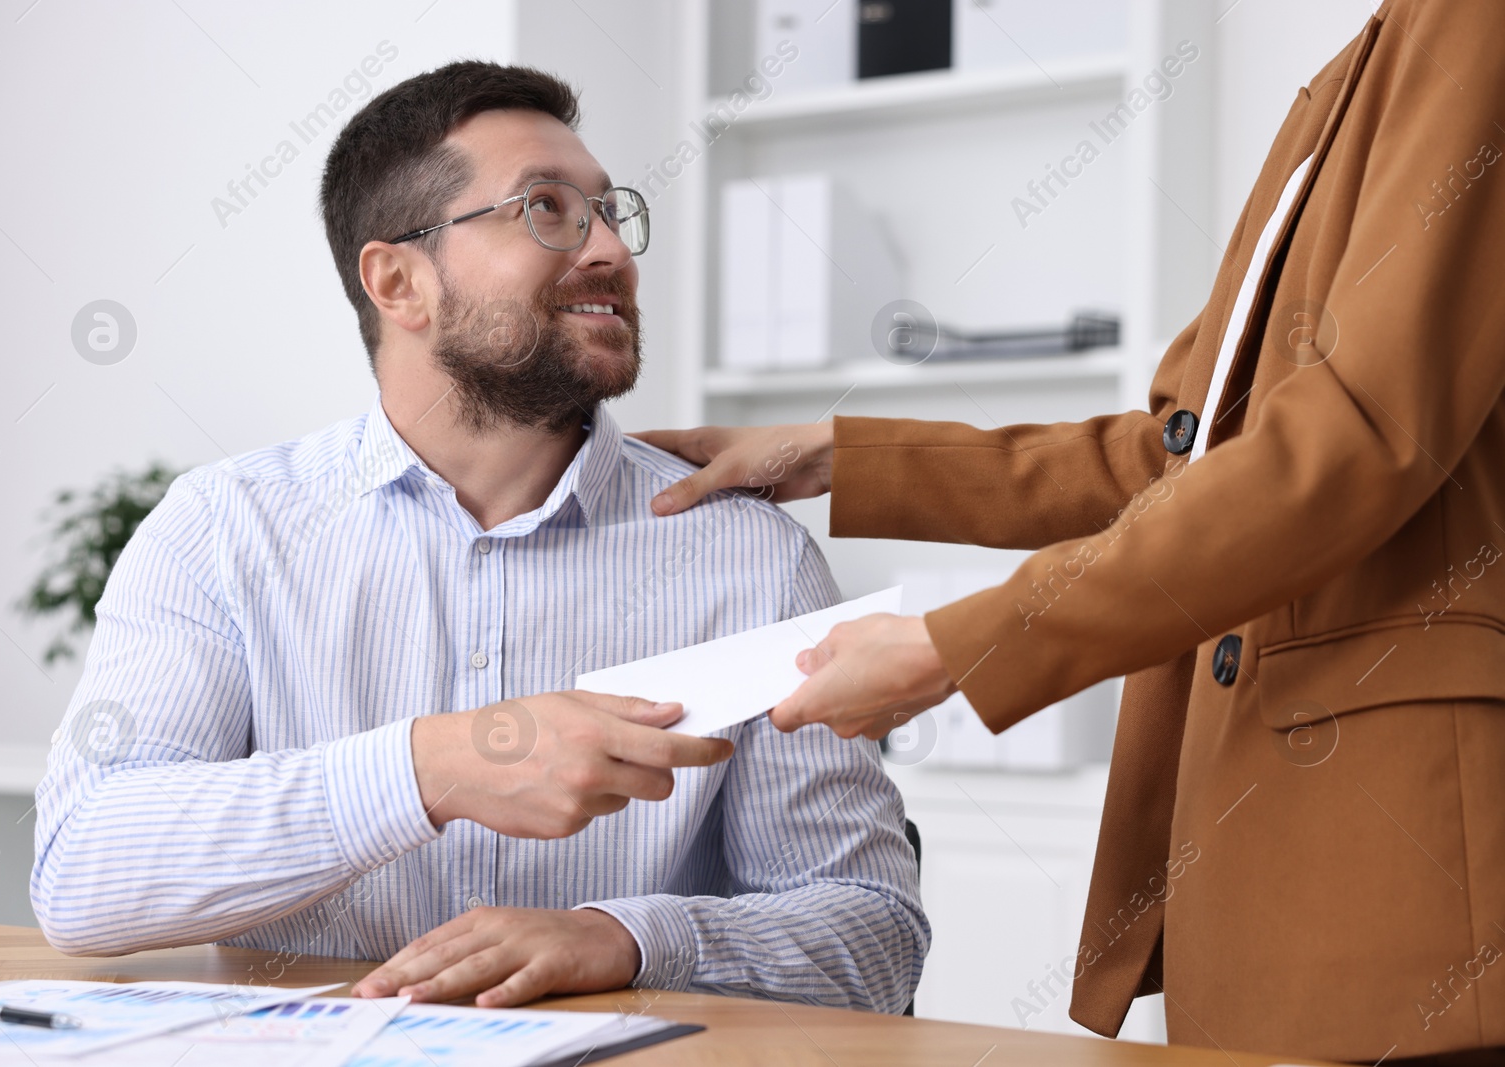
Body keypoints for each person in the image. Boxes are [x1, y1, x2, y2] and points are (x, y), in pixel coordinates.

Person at [637, 1, 1505, 1061]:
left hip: (1395, 861)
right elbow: (1181, 456)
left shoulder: (1468, 26)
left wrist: (954, 647)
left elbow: (1355, 441)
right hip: (1275, 840)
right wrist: (842, 456)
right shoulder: (1364, 65)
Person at [30, 60, 926, 1015]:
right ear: (400, 281)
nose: (609, 251)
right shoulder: (224, 530)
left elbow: (872, 933)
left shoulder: (750, 555)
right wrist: (436, 769)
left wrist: (624, 937)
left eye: (609, 212)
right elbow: (83, 871)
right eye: (546, 208)